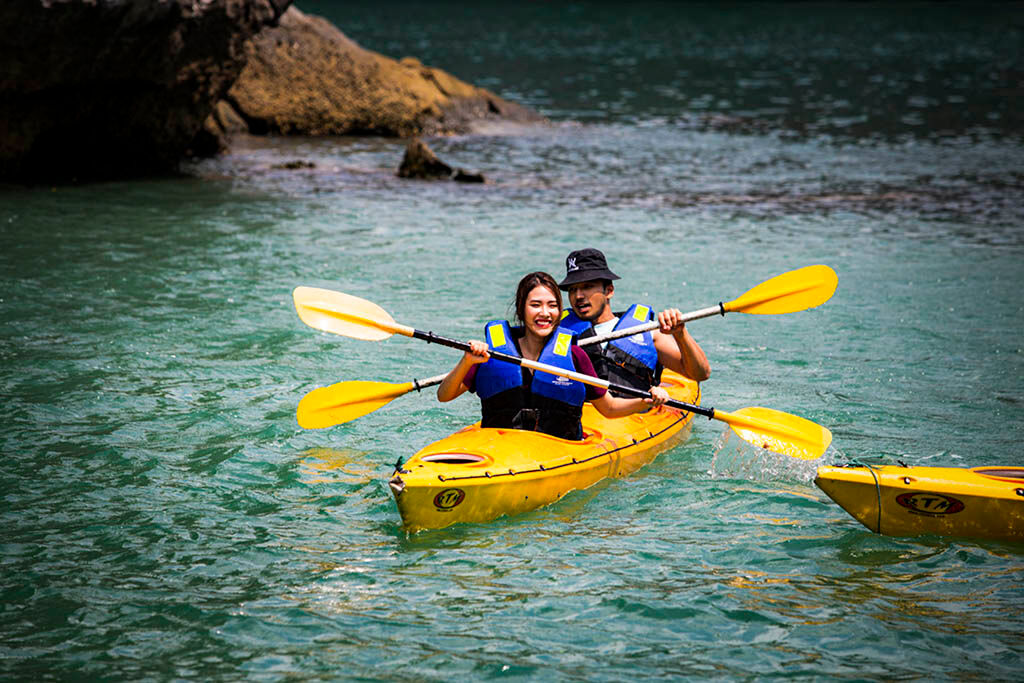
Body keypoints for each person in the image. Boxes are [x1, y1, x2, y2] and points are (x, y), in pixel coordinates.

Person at [437, 271, 670, 441]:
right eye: (535, 305)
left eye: (552, 306)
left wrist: (647, 399)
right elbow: (444, 395)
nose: (545, 313)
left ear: (559, 311)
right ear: (521, 309)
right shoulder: (493, 352)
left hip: (558, 449)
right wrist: (466, 360)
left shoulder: (575, 355)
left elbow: (609, 408)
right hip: (500, 448)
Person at [557, 248, 710, 393]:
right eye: (572, 289)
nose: (578, 296)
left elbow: (700, 374)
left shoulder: (647, 331)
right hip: (582, 415)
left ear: (609, 291)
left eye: (587, 286)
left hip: (633, 416)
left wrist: (681, 334)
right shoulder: (558, 334)